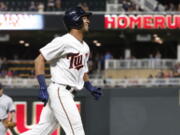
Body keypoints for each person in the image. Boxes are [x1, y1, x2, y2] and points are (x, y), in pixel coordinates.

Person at [20, 6, 102, 135]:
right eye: (85, 18)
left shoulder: (85, 46)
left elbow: (82, 70)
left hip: (66, 93)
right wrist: (42, 87)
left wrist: (89, 86)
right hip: (60, 91)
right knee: (77, 132)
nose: (88, 21)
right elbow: (39, 60)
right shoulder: (63, 41)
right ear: (75, 20)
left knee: (41, 131)